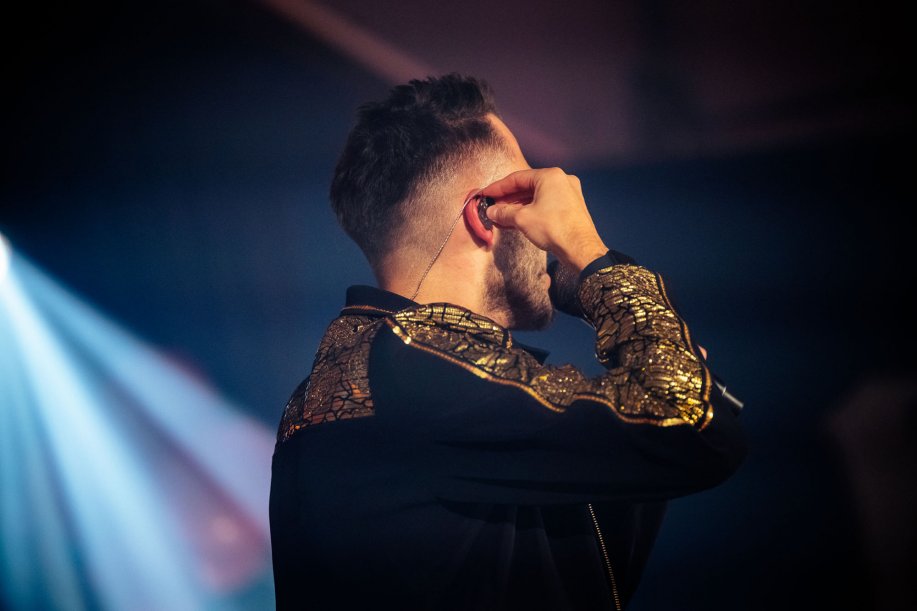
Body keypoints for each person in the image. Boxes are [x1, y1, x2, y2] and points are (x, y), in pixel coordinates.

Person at [269, 74, 746, 610]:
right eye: (530, 194)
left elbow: (610, 524)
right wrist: (584, 248)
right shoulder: (416, 367)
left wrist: (586, 288)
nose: (547, 225)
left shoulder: (383, 370)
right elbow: (695, 426)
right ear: (485, 214)